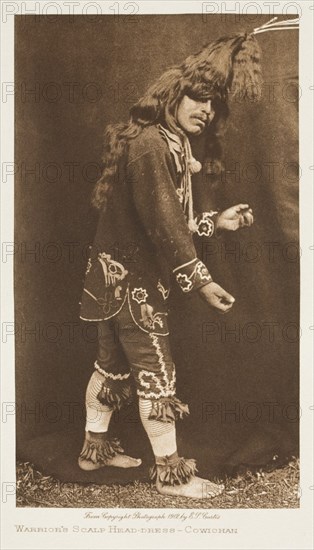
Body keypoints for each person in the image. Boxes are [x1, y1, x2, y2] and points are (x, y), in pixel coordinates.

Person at [78, 33, 261, 499]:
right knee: (156, 372)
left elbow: (166, 220)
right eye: (200, 100)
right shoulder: (151, 146)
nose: (207, 112)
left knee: (112, 368)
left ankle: (92, 452)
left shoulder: (161, 142)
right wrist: (202, 281)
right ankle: (170, 475)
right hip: (134, 284)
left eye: (214, 106)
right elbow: (163, 223)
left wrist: (215, 221)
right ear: (173, 95)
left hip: (111, 278)